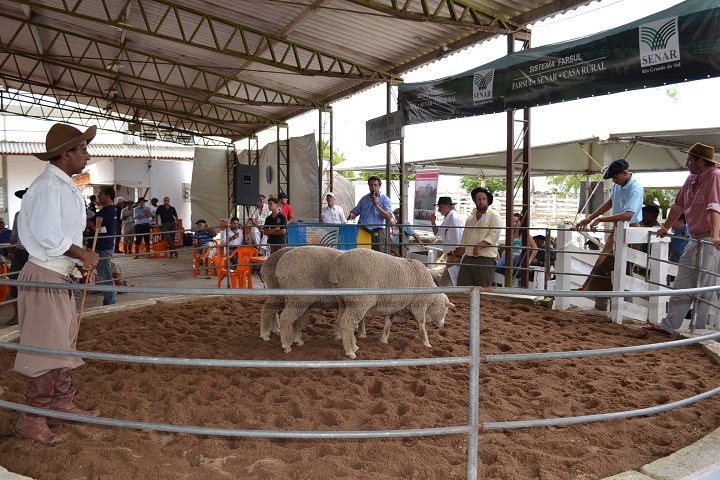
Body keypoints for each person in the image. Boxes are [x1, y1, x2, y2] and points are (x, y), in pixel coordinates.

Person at [14, 123, 101, 446]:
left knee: (62, 345)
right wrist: (82, 254)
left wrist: (77, 264)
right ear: (66, 153)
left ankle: (60, 404)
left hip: (57, 273)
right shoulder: (49, 187)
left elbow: (56, 238)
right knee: (46, 351)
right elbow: (50, 236)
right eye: (82, 149)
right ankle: (31, 418)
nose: (87, 155)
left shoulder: (62, 185)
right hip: (44, 276)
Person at [644, 143, 720, 336]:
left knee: (705, 286)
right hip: (695, 238)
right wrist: (665, 227)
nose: (687, 163)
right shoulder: (691, 179)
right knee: (682, 282)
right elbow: (678, 207)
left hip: (710, 240)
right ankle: (668, 325)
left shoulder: (715, 176)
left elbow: (714, 207)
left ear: (700, 162)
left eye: (690, 160)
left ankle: (700, 330)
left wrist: (715, 235)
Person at [576, 159, 643, 313]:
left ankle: (623, 309)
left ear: (625, 173)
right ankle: (602, 306)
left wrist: (600, 219)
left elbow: (628, 215)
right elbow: (611, 202)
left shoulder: (636, 188)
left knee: (624, 269)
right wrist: (591, 217)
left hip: (630, 229)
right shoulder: (619, 184)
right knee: (605, 265)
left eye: (616, 177)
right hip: (618, 228)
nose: (614, 180)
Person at [452, 187, 502, 287]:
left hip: (485, 259)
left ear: (488, 201)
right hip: (468, 258)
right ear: (475, 200)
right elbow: (464, 239)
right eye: (479, 199)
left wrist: (479, 246)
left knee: (482, 289)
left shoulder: (494, 216)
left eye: (484, 199)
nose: (481, 202)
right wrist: (458, 255)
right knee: (462, 288)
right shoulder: (470, 218)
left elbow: (494, 235)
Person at [347, 176, 393, 252]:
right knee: (363, 253)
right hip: (364, 230)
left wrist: (377, 206)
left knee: (378, 255)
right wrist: (352, 214)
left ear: (379, 186)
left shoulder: (385, 199)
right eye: (371, 185)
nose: (373, 187)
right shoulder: (364, 198)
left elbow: (388, 217)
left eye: (375, 185)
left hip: (377, 232)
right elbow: (356, 210)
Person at [90, 186, 117, 306]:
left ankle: (110, 300)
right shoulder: (110, 210)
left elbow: (90, 223)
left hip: (103, 247)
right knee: (103, 273)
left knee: (105, 275)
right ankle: (108, 298)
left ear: (107, 196)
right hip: (105, 245)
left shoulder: (107, 211)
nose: (99, 196)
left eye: (100, 194)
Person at [6, 188, 29, 326]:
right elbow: (14, 236)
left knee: (35, 283)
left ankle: (33, 315)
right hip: (20, 251)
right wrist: (9, 252)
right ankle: (18, 315)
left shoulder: (39, 214)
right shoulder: (19, 215)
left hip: (34, 253)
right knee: (14, 282)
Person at [430, 196, 465, 286]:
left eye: (440, 207)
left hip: (455, 256)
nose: (439, 210)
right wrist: (433, 223)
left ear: (448, 206)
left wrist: (456, 256)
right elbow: (437, 233)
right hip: (451, 256)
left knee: (446, 284)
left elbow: (462, 240)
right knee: (449, 284)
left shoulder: (455, 219)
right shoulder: (448, 219)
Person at [496, 212, 537, 279]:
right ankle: (516, 275)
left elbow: (535, 248)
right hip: (509, 255)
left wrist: (528, 261)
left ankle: (517, 275)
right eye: (513, 222)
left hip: (519, 256)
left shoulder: (525, 234)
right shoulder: (510, 234)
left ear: (520, 222)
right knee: (497, 267)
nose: (514, 224)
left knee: (503, 265)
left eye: (516, 222)